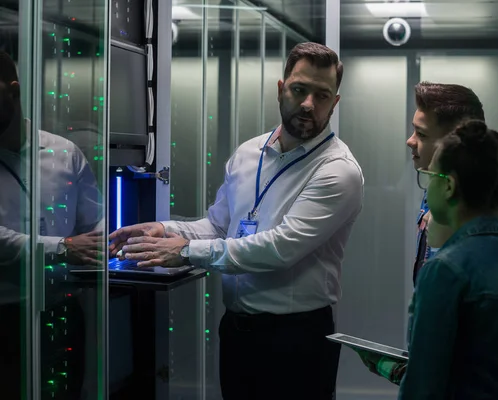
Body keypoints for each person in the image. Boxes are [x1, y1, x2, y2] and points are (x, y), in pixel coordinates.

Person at [108, 42, 364, 400]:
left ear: (334, 103)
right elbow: (217, 226)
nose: (308, 104)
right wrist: (166, 229)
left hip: (298, 338)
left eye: (322, 95)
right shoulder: (248, 153)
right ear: (281, 90)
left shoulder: (338, 171)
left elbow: (279, 249)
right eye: (299, 90)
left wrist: (186, 251)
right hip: (238, 330)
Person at [398, 120, 498, 399]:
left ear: (449, 186)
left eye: (431, 177)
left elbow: (423, 388)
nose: (427, 187)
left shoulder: (444, 271)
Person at [0, 50, 103, 399]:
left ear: (12, 91)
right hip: (4, 314)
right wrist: (62, 247)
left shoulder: (64, 153)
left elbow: (95, 222)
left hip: (61, 309)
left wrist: (114, 244)